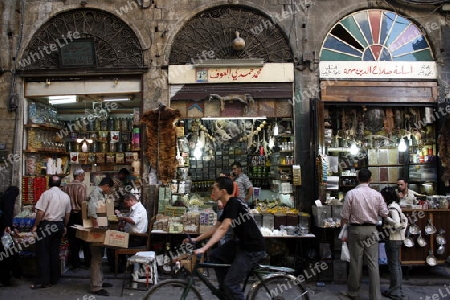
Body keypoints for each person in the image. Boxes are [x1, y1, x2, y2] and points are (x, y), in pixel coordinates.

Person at [188, 176, 266, 300]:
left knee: (232, 284)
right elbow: (216, 227)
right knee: (215, 255)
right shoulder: (231, 203)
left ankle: (229, 288)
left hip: (252, 248)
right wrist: (196, 239)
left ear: (223, 191)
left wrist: (204, 248)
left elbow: (223, 229)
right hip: (241, 243)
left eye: (214, 189)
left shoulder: (234, 203)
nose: (211, 192)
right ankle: (226, 292)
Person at [340, 168, 389, 300]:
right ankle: (375, 296)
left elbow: (344, 215)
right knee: (373, 263)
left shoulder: (351, 193)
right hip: (372, 230)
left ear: (357, 178)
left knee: (356, 263)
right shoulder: (377, 194)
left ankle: (353, 293)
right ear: (370, 179)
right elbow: (385, 213)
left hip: (356, 230)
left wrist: (342, 228)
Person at [31, 176, 71, 289]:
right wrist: (64, 226)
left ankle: (43, 281)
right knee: (54, 252)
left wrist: (36, 225)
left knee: (43, 253)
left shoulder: (47, 194)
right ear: (60, 184)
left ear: (49, 184)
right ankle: (54, 279)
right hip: (59, 224)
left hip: (47, 225)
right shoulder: (65, 196)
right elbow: (68, 214)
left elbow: (40, 212)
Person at [107, 193, 148, 273]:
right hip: (132, 237)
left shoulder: (139, 209)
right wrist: (121, 215)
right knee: (111, 242)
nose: (126, 205)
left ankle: (118, 268)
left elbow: (133, 221)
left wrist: (122, 218)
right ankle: (122, 265)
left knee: (111, 246)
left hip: (136, 239)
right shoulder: (135, 209)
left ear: (131, 200)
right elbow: (130, 217)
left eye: (126, 203)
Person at [88, 177, 114, 296]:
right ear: (106, 186)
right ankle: (95, 287)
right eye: (110, 189)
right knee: (97, 257)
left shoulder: (100, 193)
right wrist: (96, 225)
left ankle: (99, 282)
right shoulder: (95, 192)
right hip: (96, 228)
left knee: (99, 256)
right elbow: (92, 210)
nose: (109, 191)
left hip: (101, 227)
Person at [381, 187, 408, 300]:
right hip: (398, 238)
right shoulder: (396, 205)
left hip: (393, 238)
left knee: (394, 266)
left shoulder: (391, 208)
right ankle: (396, 289)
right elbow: (404, 220)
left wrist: (386, 219)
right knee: (396, 265)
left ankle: (395, 292)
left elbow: (397, 224)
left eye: (382, 196)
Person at [61, 168, 91, 270]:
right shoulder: (82, 186)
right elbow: (82, 202)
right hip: (79, 215)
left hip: (69, 215)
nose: (84, 177)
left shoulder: (66, 186)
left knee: (73, 240)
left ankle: (76, 263)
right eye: (83, 175)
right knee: (85, 238)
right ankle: (88, 262)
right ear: (79, 175)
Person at [0, 186, 21, 286]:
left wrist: (11, 227)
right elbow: (7, 213)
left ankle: (6, 277)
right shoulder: (9, 198)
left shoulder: (4, 196)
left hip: (3, 228)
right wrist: (8, 226)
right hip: (2, 230)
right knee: (6, 254)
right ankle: (5, 278)